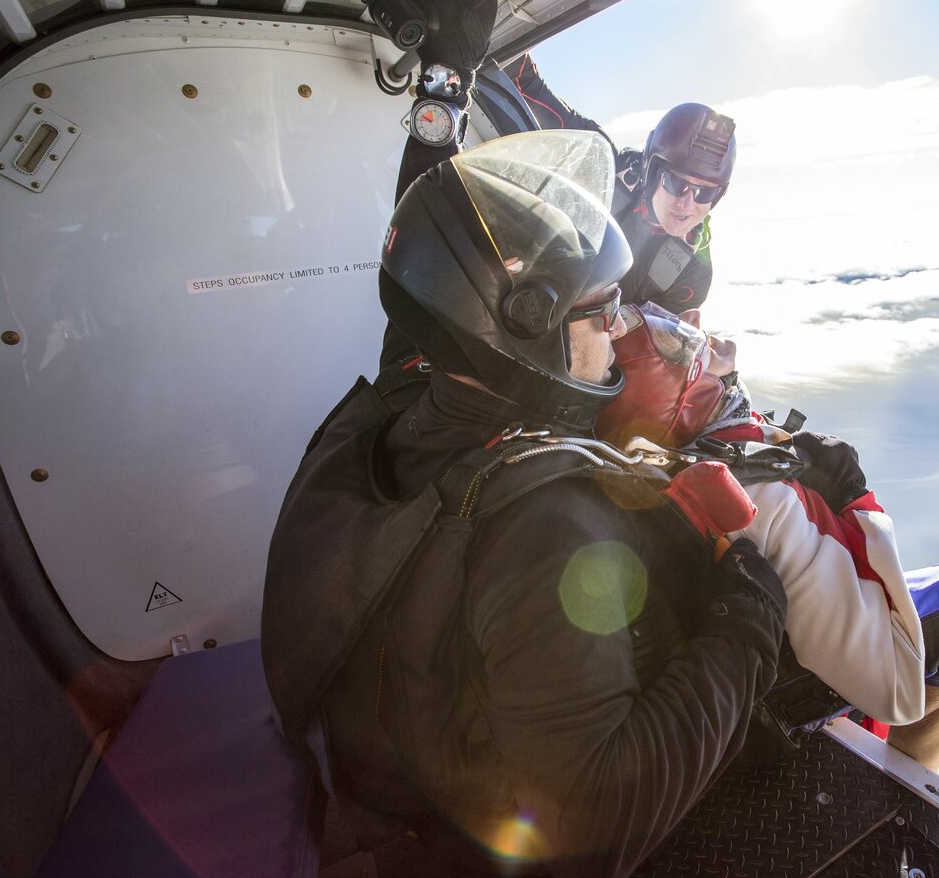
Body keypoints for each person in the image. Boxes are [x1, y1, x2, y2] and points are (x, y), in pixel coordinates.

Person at [262, 131, 788, 877]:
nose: (619, 328)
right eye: (601, 309)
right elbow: (595, 834)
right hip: (453, 842)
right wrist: (750, 623)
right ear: (530, 327)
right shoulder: (549, 527)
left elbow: (440, 268)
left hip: (381, 771)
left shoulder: (381, 414)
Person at [594, 303, 939, 770]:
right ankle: (914, 778)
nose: (700, 328)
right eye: (681, 345)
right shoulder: (761, 495)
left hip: (713, 672)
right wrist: (855, 503)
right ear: (685, 397)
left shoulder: (649, 463)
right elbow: (893, 689)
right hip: (757, 712)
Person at [512, 53, 734, 314]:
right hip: (522, 293)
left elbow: (654, 339)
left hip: (581, 335)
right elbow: (525, 83)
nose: (687, 203)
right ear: (653, 171)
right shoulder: (600, 164)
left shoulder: (692, 273)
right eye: (676, 183)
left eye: (705, 192)